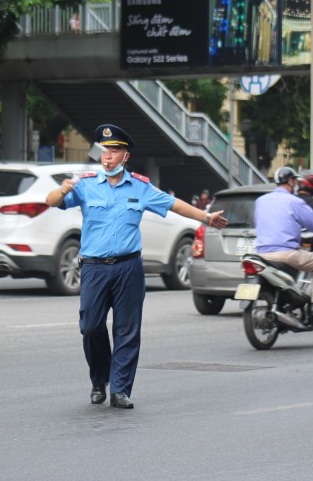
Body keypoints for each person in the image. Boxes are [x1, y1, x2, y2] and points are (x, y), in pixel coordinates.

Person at [45, 124, 228, 409]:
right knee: (91, 327)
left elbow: (174, 205)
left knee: (127, 330)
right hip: (94, 268)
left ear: (125, 156)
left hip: (129, 268)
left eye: (114, 151)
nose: (107, 157)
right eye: (105, 151)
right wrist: (62, 189)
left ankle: (120, 389)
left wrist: (205, 218)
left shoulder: (140, 187)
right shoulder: (86, 184)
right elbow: (51, 202)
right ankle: (99, 379)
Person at [254, 166, 313, 318]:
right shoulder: (294, 201)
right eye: (294, 181)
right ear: (290, 181)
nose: (296, 185)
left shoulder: (261, 201)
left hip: (261, 253)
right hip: (285, 253)